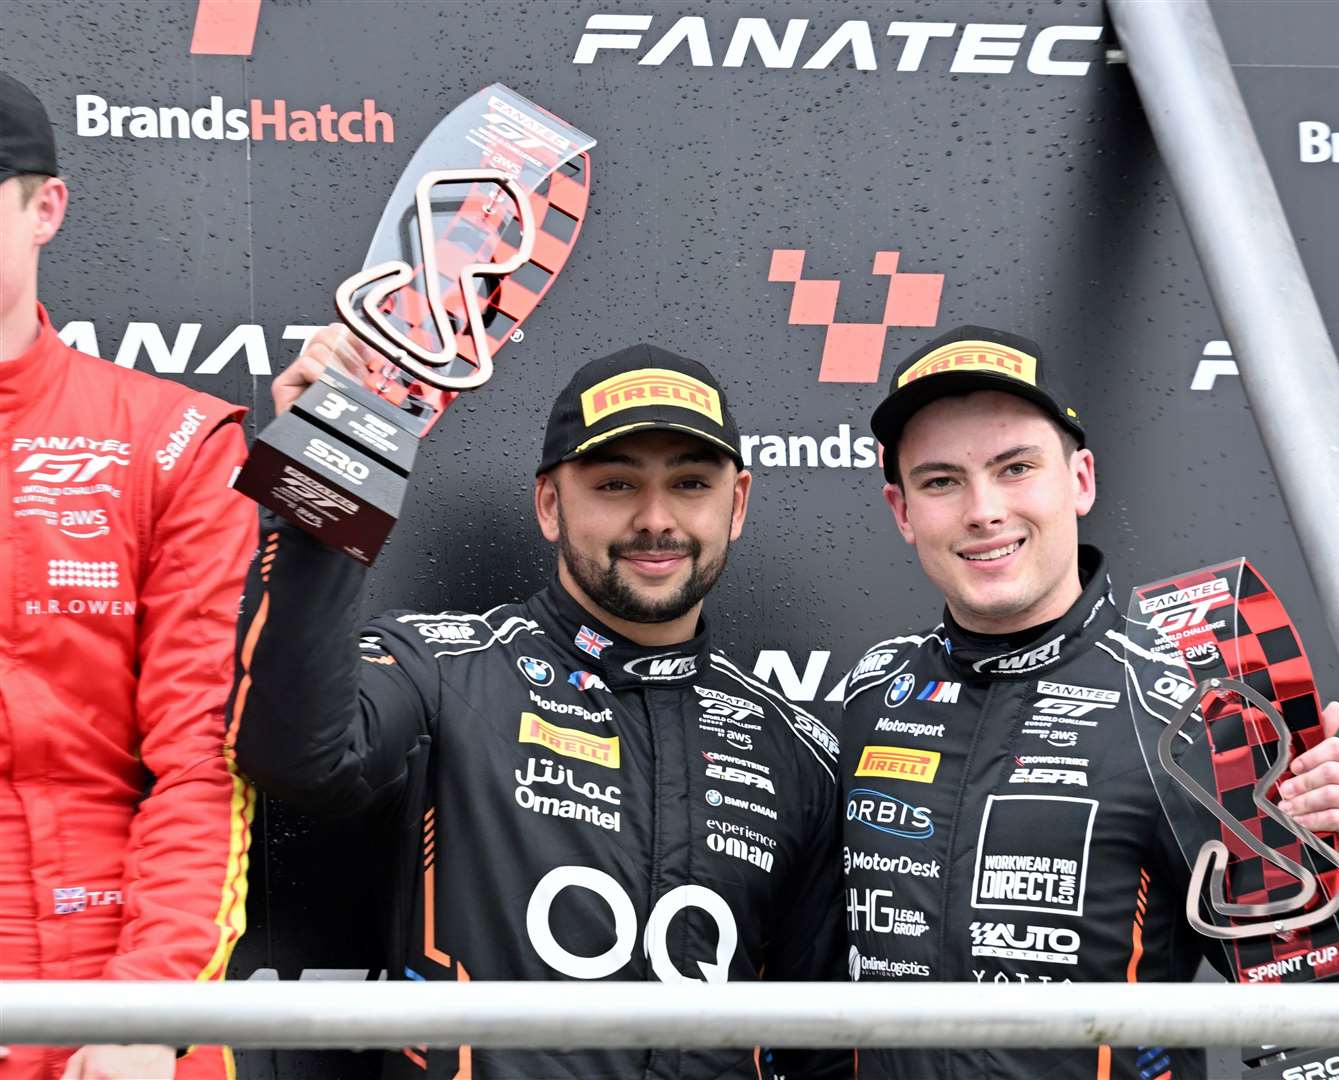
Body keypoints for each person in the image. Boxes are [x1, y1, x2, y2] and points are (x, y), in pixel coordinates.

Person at [230, 330, 847, 1079]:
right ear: (550, 505)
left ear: (736, 504)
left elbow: (820, 1045)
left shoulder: (796, 751)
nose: (656, 518)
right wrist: (320, 483)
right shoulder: (444, 670)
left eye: (690, 484)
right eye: (616, 485)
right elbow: (294, 754)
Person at [839, 326, 1339, 1080]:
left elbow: (1310, 1012)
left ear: (1080, 479)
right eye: (940, 482)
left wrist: (1313, 846)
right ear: (901, 511)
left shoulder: (1194, 703)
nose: (982, 510)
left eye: (1015, 468)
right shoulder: (871, 691)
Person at [0, 72, 257, 1080]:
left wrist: (147, 1015)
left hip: (102, 992)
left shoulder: (173, 442)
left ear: (45, 207)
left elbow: (206, 760)